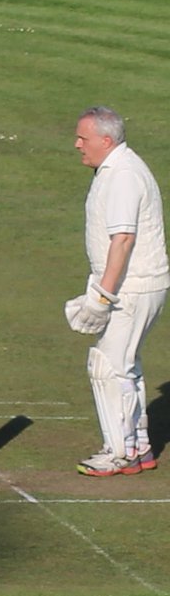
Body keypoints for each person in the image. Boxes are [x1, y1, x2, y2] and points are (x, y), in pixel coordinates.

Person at [64, 106, 169, 476]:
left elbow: (123, 239)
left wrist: (102, 297)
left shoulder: (123, 175)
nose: (77, 145)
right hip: (137, 286)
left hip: (133, 288)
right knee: (125, 366)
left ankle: (119, 452)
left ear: (106, 141)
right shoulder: (114, 168)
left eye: (83, 138)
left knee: (107, 366)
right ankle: (138, 447)